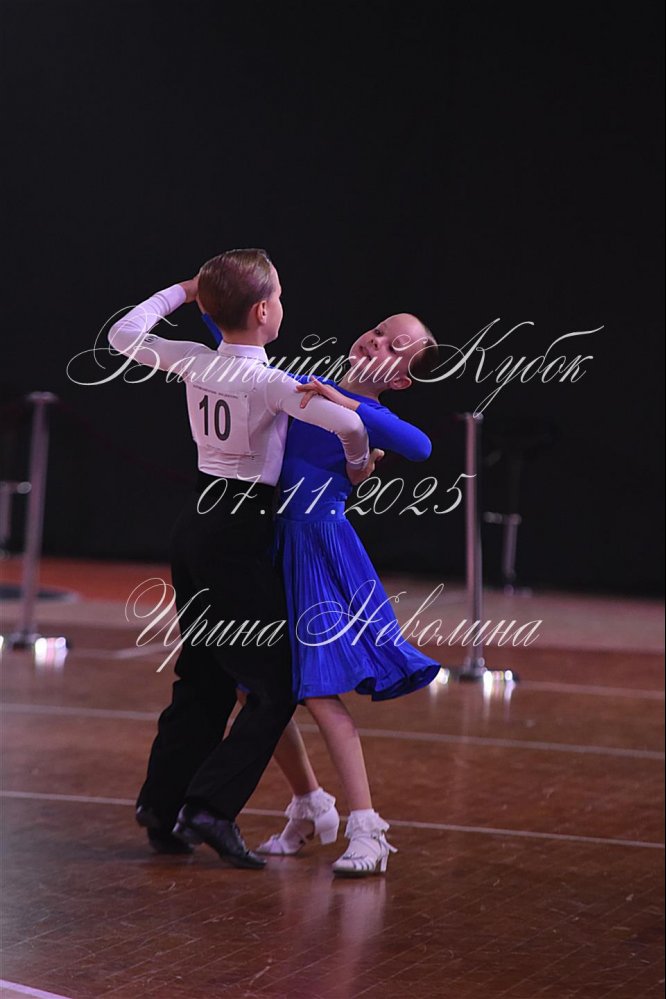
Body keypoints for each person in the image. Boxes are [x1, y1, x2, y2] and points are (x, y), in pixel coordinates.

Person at [107, 248, 377, 868]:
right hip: (239, 528)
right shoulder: (272, 382)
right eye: (277, 296)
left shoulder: (194, 359)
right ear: (262, 311)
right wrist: (360, 466)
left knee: (203, 674)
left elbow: (123, 334)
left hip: (194, 522)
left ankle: (161, 806)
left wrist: (184, 290)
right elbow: (352, 428)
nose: (281, 305)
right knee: (278, 683)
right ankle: (210, 807)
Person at [253, 315, 441, 876]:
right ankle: (310, 802)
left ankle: (367, 827)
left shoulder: (366, 411)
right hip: (271, 544)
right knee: (255, 688)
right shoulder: (307, 383)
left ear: (400, 379)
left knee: (320, 690)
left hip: (319, 549)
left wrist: (346, 406)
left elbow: (422, 447)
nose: (376, 340)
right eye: (379, 330)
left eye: (394, 345)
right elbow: (244, 365)